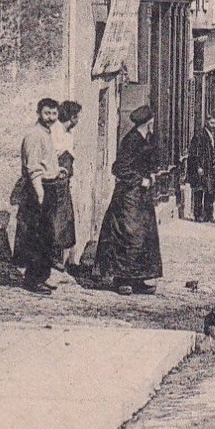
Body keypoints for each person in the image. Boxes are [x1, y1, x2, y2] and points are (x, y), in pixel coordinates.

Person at [95, 105, 163, 294]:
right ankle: (122, 279)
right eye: (152, 123)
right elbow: (119, 168)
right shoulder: (131, 140)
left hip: (141, 196)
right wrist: (140, 179)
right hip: (128, 196)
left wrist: (151, 174)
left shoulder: (144, 139)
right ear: (149, 123)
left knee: (143, 236)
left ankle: (139, 278)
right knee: (127, 234)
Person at [12, 99, 60, 293]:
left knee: (47, 236)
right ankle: (33, 280)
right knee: (37, 237)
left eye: (54, 114)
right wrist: (40, 193)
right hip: (38, 189)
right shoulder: (34, 135)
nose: (50, 118)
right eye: (47, 113)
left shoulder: (46, 133)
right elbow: (33, 167)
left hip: (48, 186)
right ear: (39, 113)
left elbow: (44, 161)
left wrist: (57, 169)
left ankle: (42, 276)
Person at [50, 100, 83, 275]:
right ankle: (53, 257)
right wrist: (57, 169)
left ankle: (59, 256)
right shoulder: (55, 132)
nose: (79, 120)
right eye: (77, 116)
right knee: (55, 219)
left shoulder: (67, 133)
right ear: (72, 117)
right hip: (54, 182)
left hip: (64, 183)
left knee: (64, 219)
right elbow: (49, 155)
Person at [187, 116, 215, 223]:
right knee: (199, 191)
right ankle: (198, 215)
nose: (213, 125)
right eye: (211, 123)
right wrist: (198, 166)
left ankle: (209, 215)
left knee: (210, 192)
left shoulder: (214, 135)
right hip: (203, 167)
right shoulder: (200, 135)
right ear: (206, 122)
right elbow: (194, 153)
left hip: (212, 168)